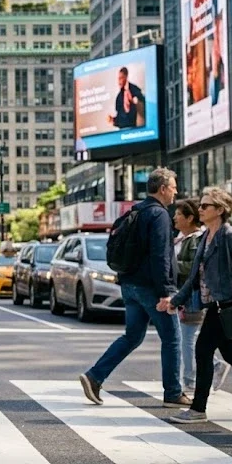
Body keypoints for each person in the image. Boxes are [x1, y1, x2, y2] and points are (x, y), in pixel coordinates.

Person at [80, 168, 190, 408]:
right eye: (173, 187)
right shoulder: (159, 215)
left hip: (129, 285)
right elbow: (160, 256)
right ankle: (173, 393)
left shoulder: (137, 211)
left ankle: (94, 376)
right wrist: (166, 293)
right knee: (172, 338)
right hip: (151, 288)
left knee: (132, 336)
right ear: (162, 189)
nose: (176, 192)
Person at [164, 187, 232, 424]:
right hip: (216, 305)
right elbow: (194, 277)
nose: (199, 209)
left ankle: (198, 408)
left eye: (205, 206)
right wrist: (175, 301)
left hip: (227, 305)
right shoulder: (205, 237)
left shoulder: (231, 236)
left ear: (220, 210)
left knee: (202, 350)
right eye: (200, 206)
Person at [173, 199, 228, 394]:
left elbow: (194, 269)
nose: (175, 218)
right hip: (186, 294)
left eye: (179, 214)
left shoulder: (196, 239)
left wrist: (172, 265)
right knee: (192, 337)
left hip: (194, 295)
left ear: (189, 218)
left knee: (186, 338)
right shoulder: (182, 239)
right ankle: (212, 367)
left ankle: (190, 380)